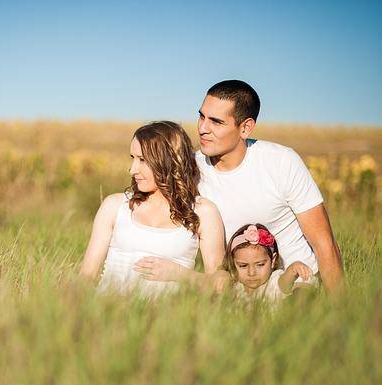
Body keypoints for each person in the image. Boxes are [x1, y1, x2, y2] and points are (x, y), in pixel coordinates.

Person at [136, 80, 344, 292]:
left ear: (245, 128)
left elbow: (324, 244)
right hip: (236, 290)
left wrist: (340, 314)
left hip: (295, 286)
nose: (202, 128)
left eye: (216, 122)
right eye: (201, 116)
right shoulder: (190, 168)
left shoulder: (282, 162)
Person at [78, 121, 225, 296]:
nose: (133, 170)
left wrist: (180, 274)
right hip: (109, 313)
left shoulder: (203, 212)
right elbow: (85, 278)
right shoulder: (115, 206)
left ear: (169, 160)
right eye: (133, 158)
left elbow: (222, 284)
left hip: (168, 319)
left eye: (143, 160)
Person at [223, 224, 314, 305]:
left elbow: (284, 283)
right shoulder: (236, 287)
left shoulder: (273, 282)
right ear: (233, 263)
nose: (251, 273)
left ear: (273, 260)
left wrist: (293, 270)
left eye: (260, 264)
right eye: (243, 265)